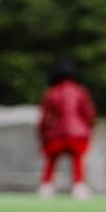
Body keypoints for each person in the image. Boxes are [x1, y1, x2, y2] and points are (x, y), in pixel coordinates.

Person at [38, 62, 99, 198]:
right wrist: (90, 128)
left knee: (51, 161)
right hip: (78, 134)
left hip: (55, 134)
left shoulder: (51, 93)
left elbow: (45, 117)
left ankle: (46, 187)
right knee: (78, 161)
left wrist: (42, 134)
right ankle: (79, 187)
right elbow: (89, 113)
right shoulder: (81, 91)